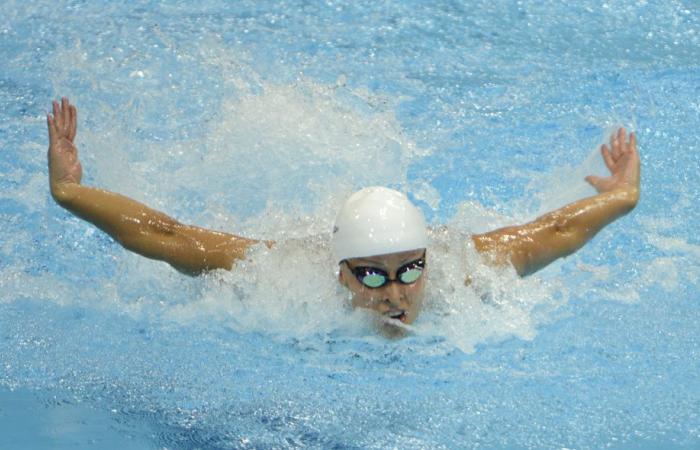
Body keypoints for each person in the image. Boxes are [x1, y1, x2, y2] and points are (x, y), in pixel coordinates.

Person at [47, 97, 640, 327]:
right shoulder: (281, 278)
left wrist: (621, 196)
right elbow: (169, 236)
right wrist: (71, 193)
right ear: (340, 272)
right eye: (373, 275)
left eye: (409, 270)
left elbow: (557, 230)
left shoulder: (464, 271)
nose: (394, 294)